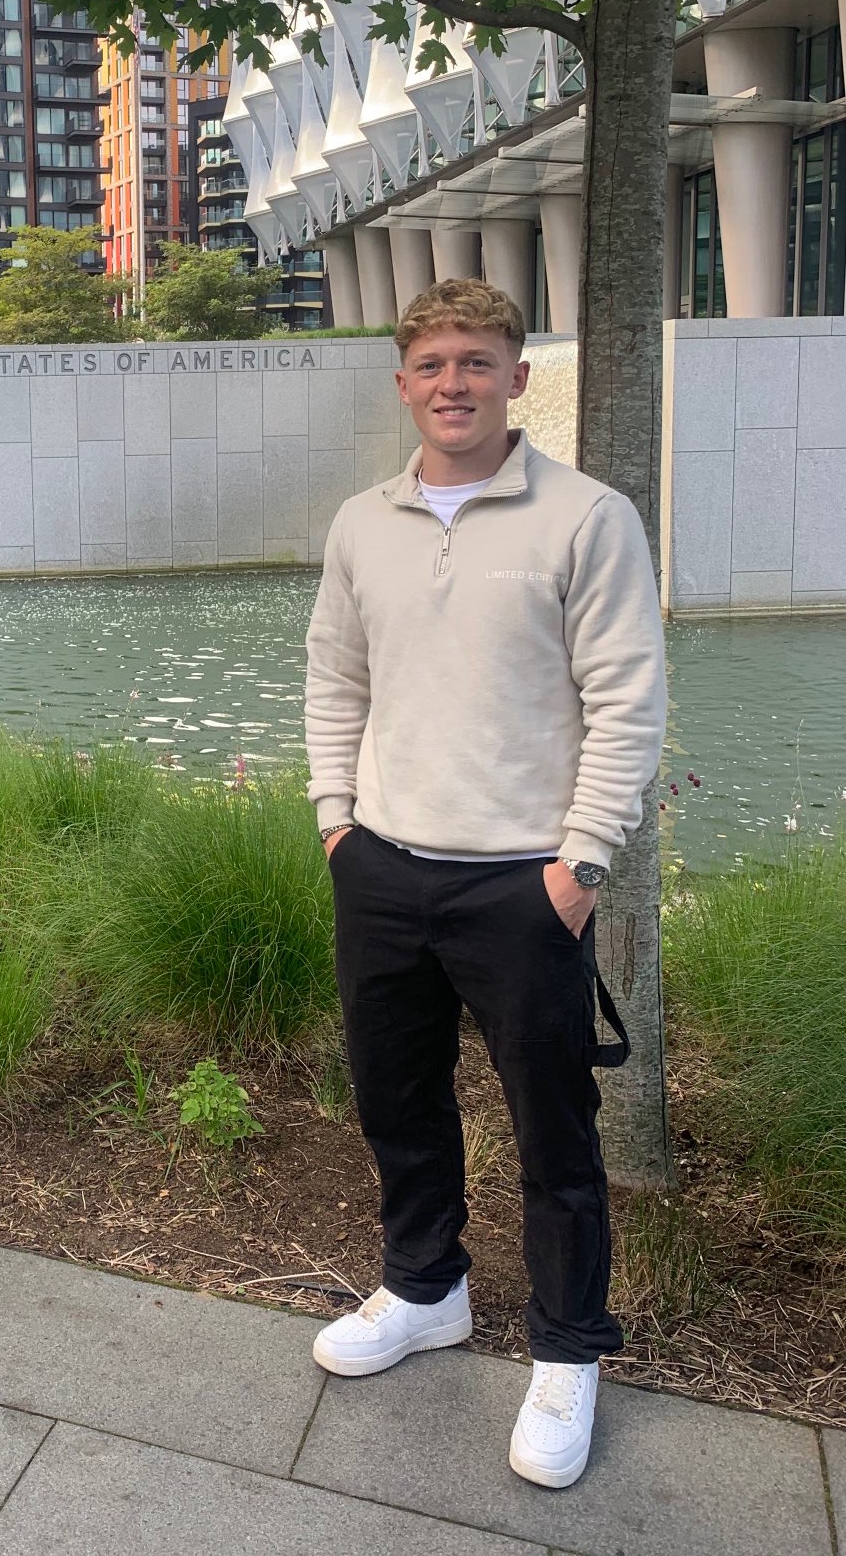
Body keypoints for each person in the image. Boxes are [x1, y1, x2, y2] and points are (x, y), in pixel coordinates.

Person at [303, 278, 666, 1489]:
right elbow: (334, 678)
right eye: (431, 362)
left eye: (476, 359)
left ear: (517, 375)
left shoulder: (588, 516)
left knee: (554, 1130)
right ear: (402, 382)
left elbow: (627, 700)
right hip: (383, 867)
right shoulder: (363, 522)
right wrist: (337, 823)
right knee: (397, 1098)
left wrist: (581, 862)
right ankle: (426, 1288)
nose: (452, 381)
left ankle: (569, 1347)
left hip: (523, 882)